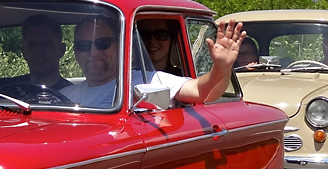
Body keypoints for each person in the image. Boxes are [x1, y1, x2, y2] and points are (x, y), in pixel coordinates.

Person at [63, 15, 244, 108]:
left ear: (119, 46)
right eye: (83, 45)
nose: (93, 52)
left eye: (102, 43)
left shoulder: (145, 81)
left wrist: (222, 66)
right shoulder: (64, 96)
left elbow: (201, 91)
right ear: (75, 50)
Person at [0, 14, 72, 91]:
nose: (39, 51)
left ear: (61, 50)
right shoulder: (2, 89)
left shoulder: (73, 94)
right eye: (32, 45)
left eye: (46, 44)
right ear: (24, 52)